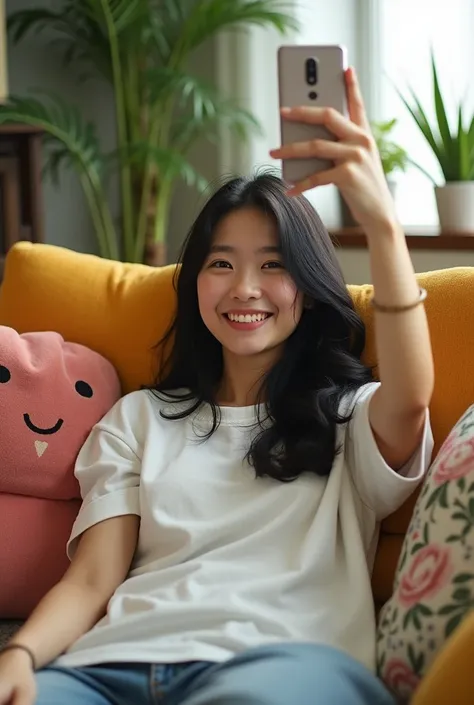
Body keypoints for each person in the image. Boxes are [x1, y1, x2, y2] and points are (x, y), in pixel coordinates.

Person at [0, 67, 434, 705]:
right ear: (195, 283)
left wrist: (383, 227)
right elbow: (93, 578)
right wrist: (19, 655)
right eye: (221, 264)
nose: (245, 289)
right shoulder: (137, 417)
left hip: (280, 667)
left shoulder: (349, 416)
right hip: (111, 668)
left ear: (309, 292)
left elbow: (414, 397)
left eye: (273, 266)